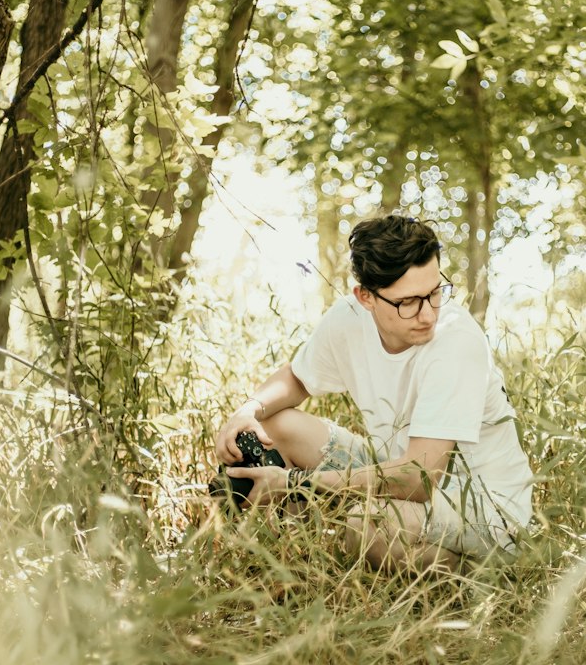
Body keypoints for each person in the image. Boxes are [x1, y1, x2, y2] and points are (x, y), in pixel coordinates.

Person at [213, 213, 534, 569]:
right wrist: (248, 410)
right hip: (396, 471)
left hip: (487, 510)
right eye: (408, 302)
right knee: (275, 426)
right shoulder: (349, 318)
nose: (428, 314)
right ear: (366, 297)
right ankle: (295, 562)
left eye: (435, 292)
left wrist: (292, 483)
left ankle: (487, 573)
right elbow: (298, 379)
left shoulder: (456, 342)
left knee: (368, 524)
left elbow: (418, 478)